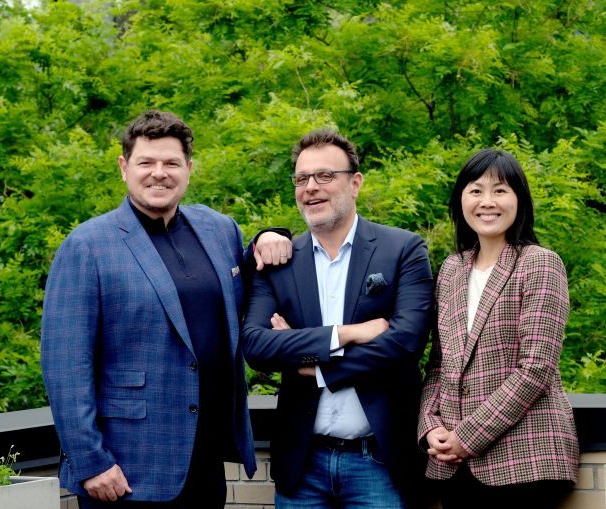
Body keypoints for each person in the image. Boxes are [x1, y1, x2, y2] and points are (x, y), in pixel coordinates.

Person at [40, 110, 292, 508]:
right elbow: (65, 365)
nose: (159, 173)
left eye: (171, 163)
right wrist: (91, 462)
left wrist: (269, 236)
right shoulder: (87, 245)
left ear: (189, 169)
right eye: (146, 162)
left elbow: (247, 279)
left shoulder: (218, 228)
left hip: (205, 457)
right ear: (124, 167)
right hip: (126, 469)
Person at [242, 128, 434, 508]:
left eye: (325, 176)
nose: (311, 187)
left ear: (355, 182)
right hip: (302, 464)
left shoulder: (403, 250)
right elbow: (257, 346)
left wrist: (314, 367)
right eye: (301, 178)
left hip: (379, 462)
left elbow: (405, 342)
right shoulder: (279, 262)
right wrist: (349, 333)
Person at [418, 148, 579, 509]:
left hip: (524, 461)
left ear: (519, 199)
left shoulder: (540, 263)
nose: (487, 201)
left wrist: (467, 437)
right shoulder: (451, 270)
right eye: (476, 190)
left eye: (500, 190)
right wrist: (431, 427)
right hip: (454, 469)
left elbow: (536, 368)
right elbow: (438, 366)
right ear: (461, 199)